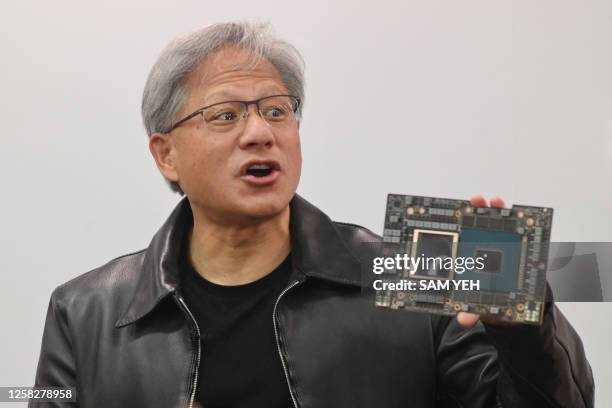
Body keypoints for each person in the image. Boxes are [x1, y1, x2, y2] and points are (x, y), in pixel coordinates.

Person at [31, 21, 594, 408]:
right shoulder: (83, 313)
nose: (260, 133)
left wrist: (524, 325)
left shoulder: (416, 274)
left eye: (277, 111)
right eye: (226, 116)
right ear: (166, 154)